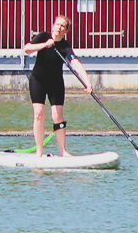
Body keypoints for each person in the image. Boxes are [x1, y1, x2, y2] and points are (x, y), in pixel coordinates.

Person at [22, 15, 93, 156]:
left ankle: (63, 151)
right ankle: (39, 152)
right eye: (57, 24)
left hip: (55, 83)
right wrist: (45, 45)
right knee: (38, 114)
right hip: (38, 81)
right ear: (53, 26)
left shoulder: (65, 46)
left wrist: (88, 82)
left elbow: (75, 63)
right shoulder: (43, 36)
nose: (59, 28)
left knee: (57, 116)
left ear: (66, 31)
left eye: (62, 26)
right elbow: (27, 49)